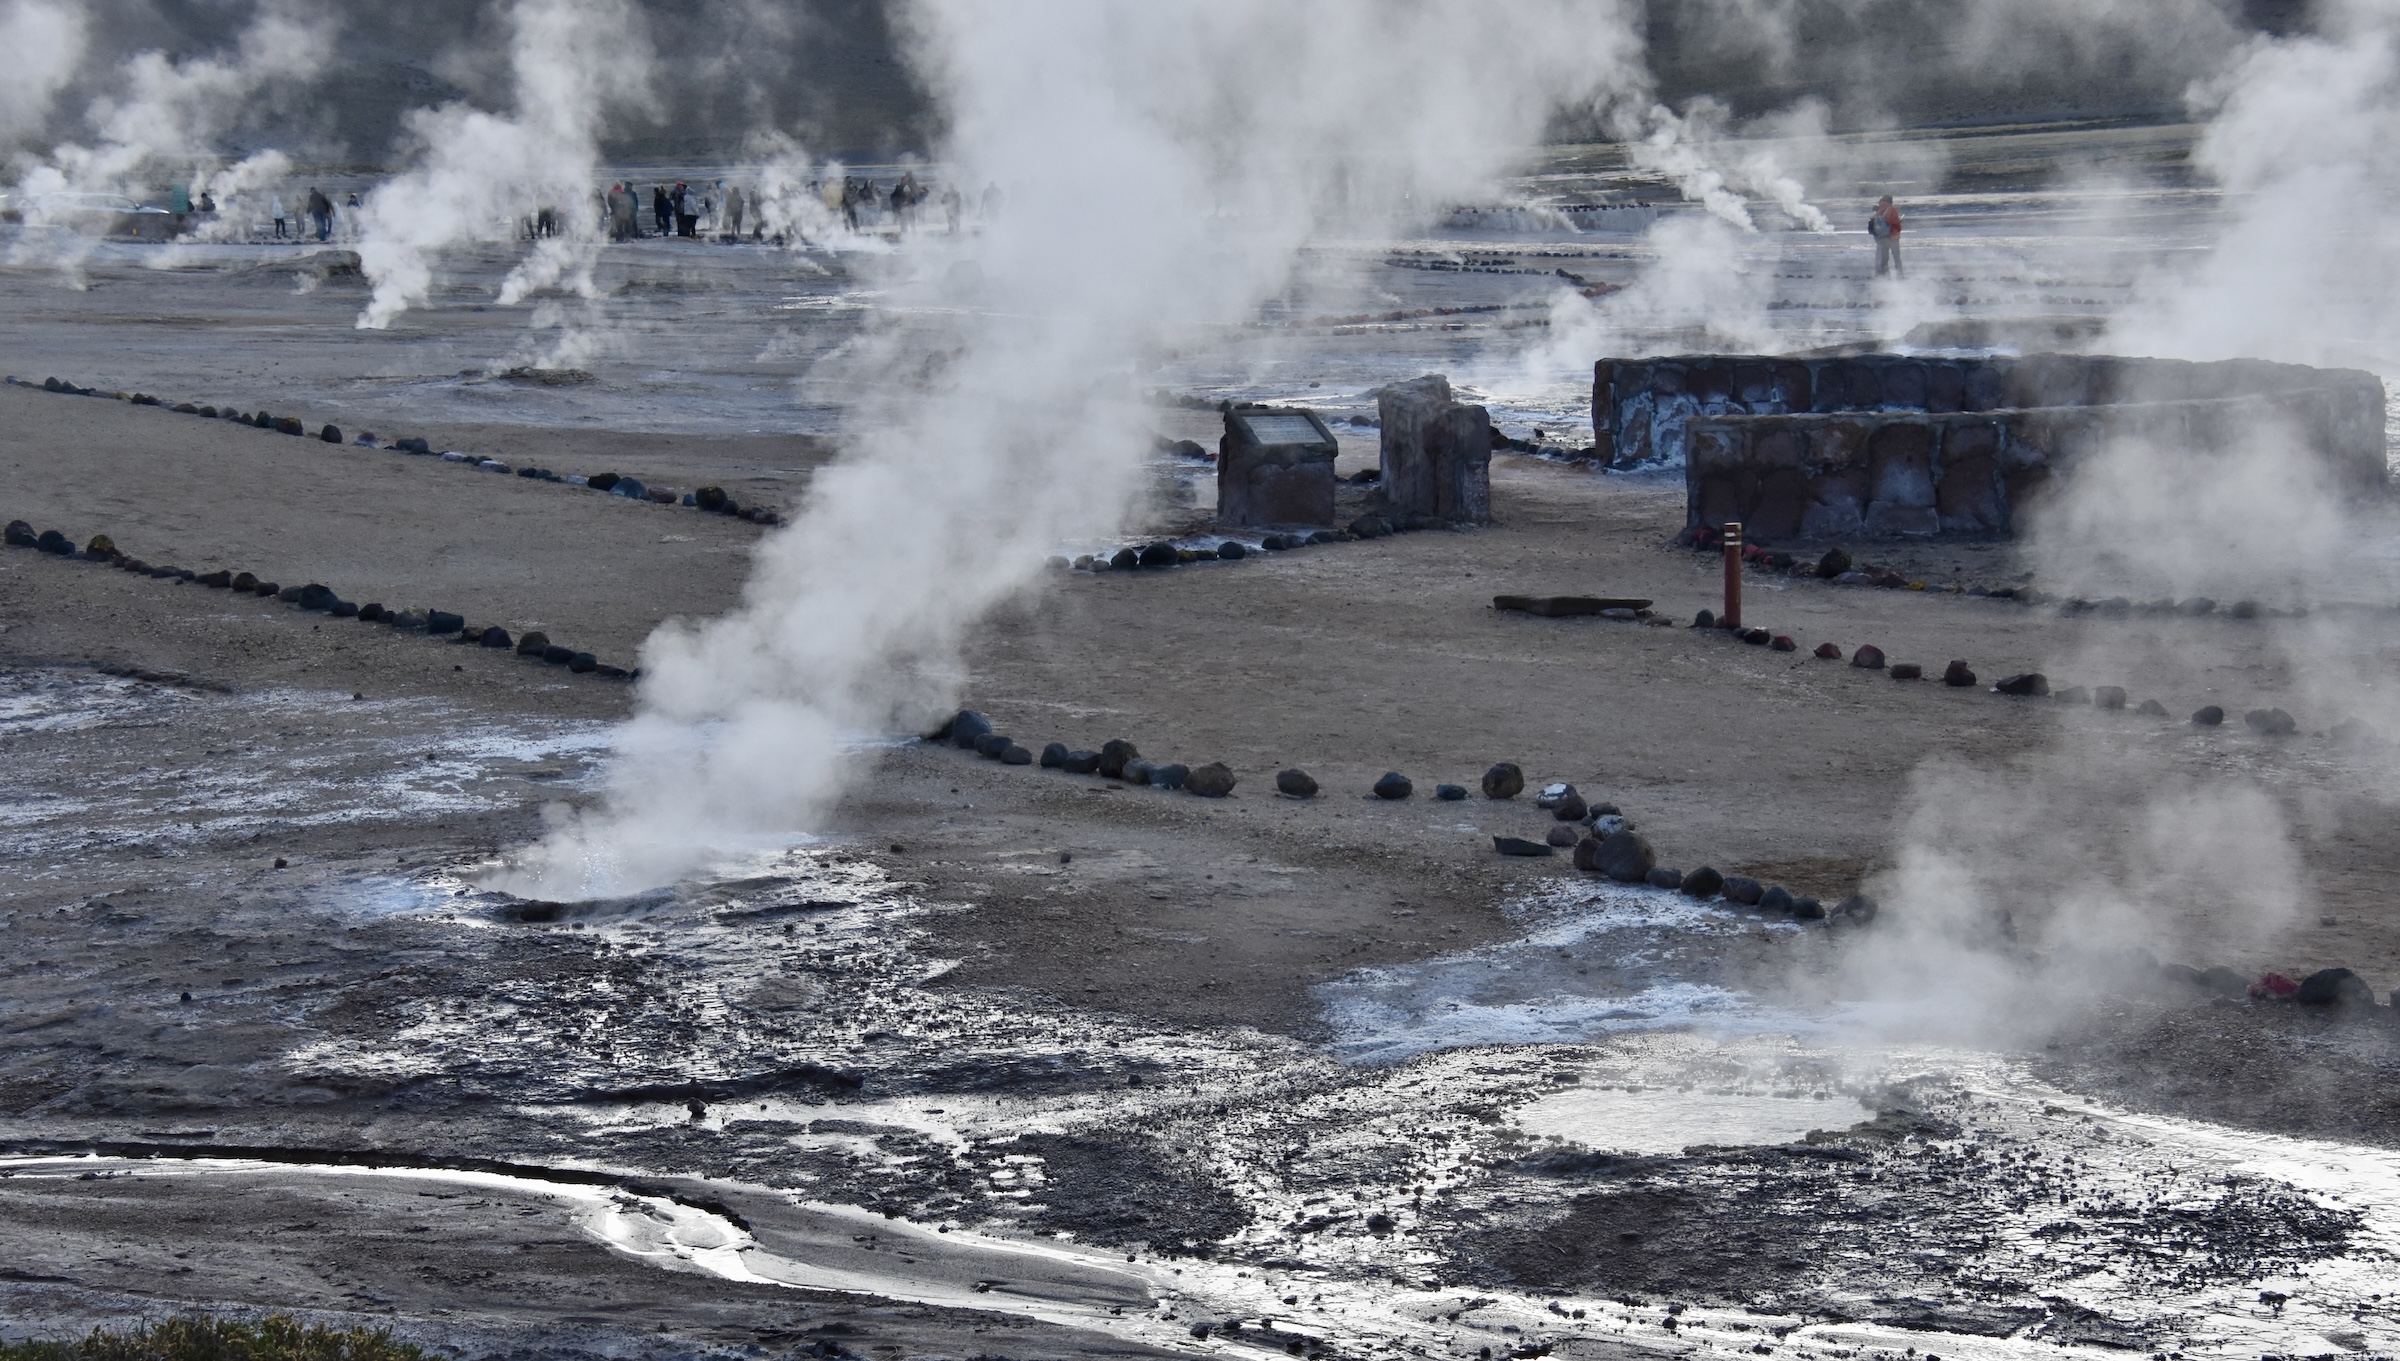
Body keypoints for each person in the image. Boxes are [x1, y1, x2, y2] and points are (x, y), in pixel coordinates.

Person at [1870, 194, 1903, 278]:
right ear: (1890, 201)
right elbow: (1893, 222)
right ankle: (1899, 275)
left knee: (1884, 258)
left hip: (1882, 237)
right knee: (1896, 257)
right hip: (1893, 236)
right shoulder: (1892, 209)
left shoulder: (1878, 210)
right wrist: (1899, 225)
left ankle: (1884, 276)